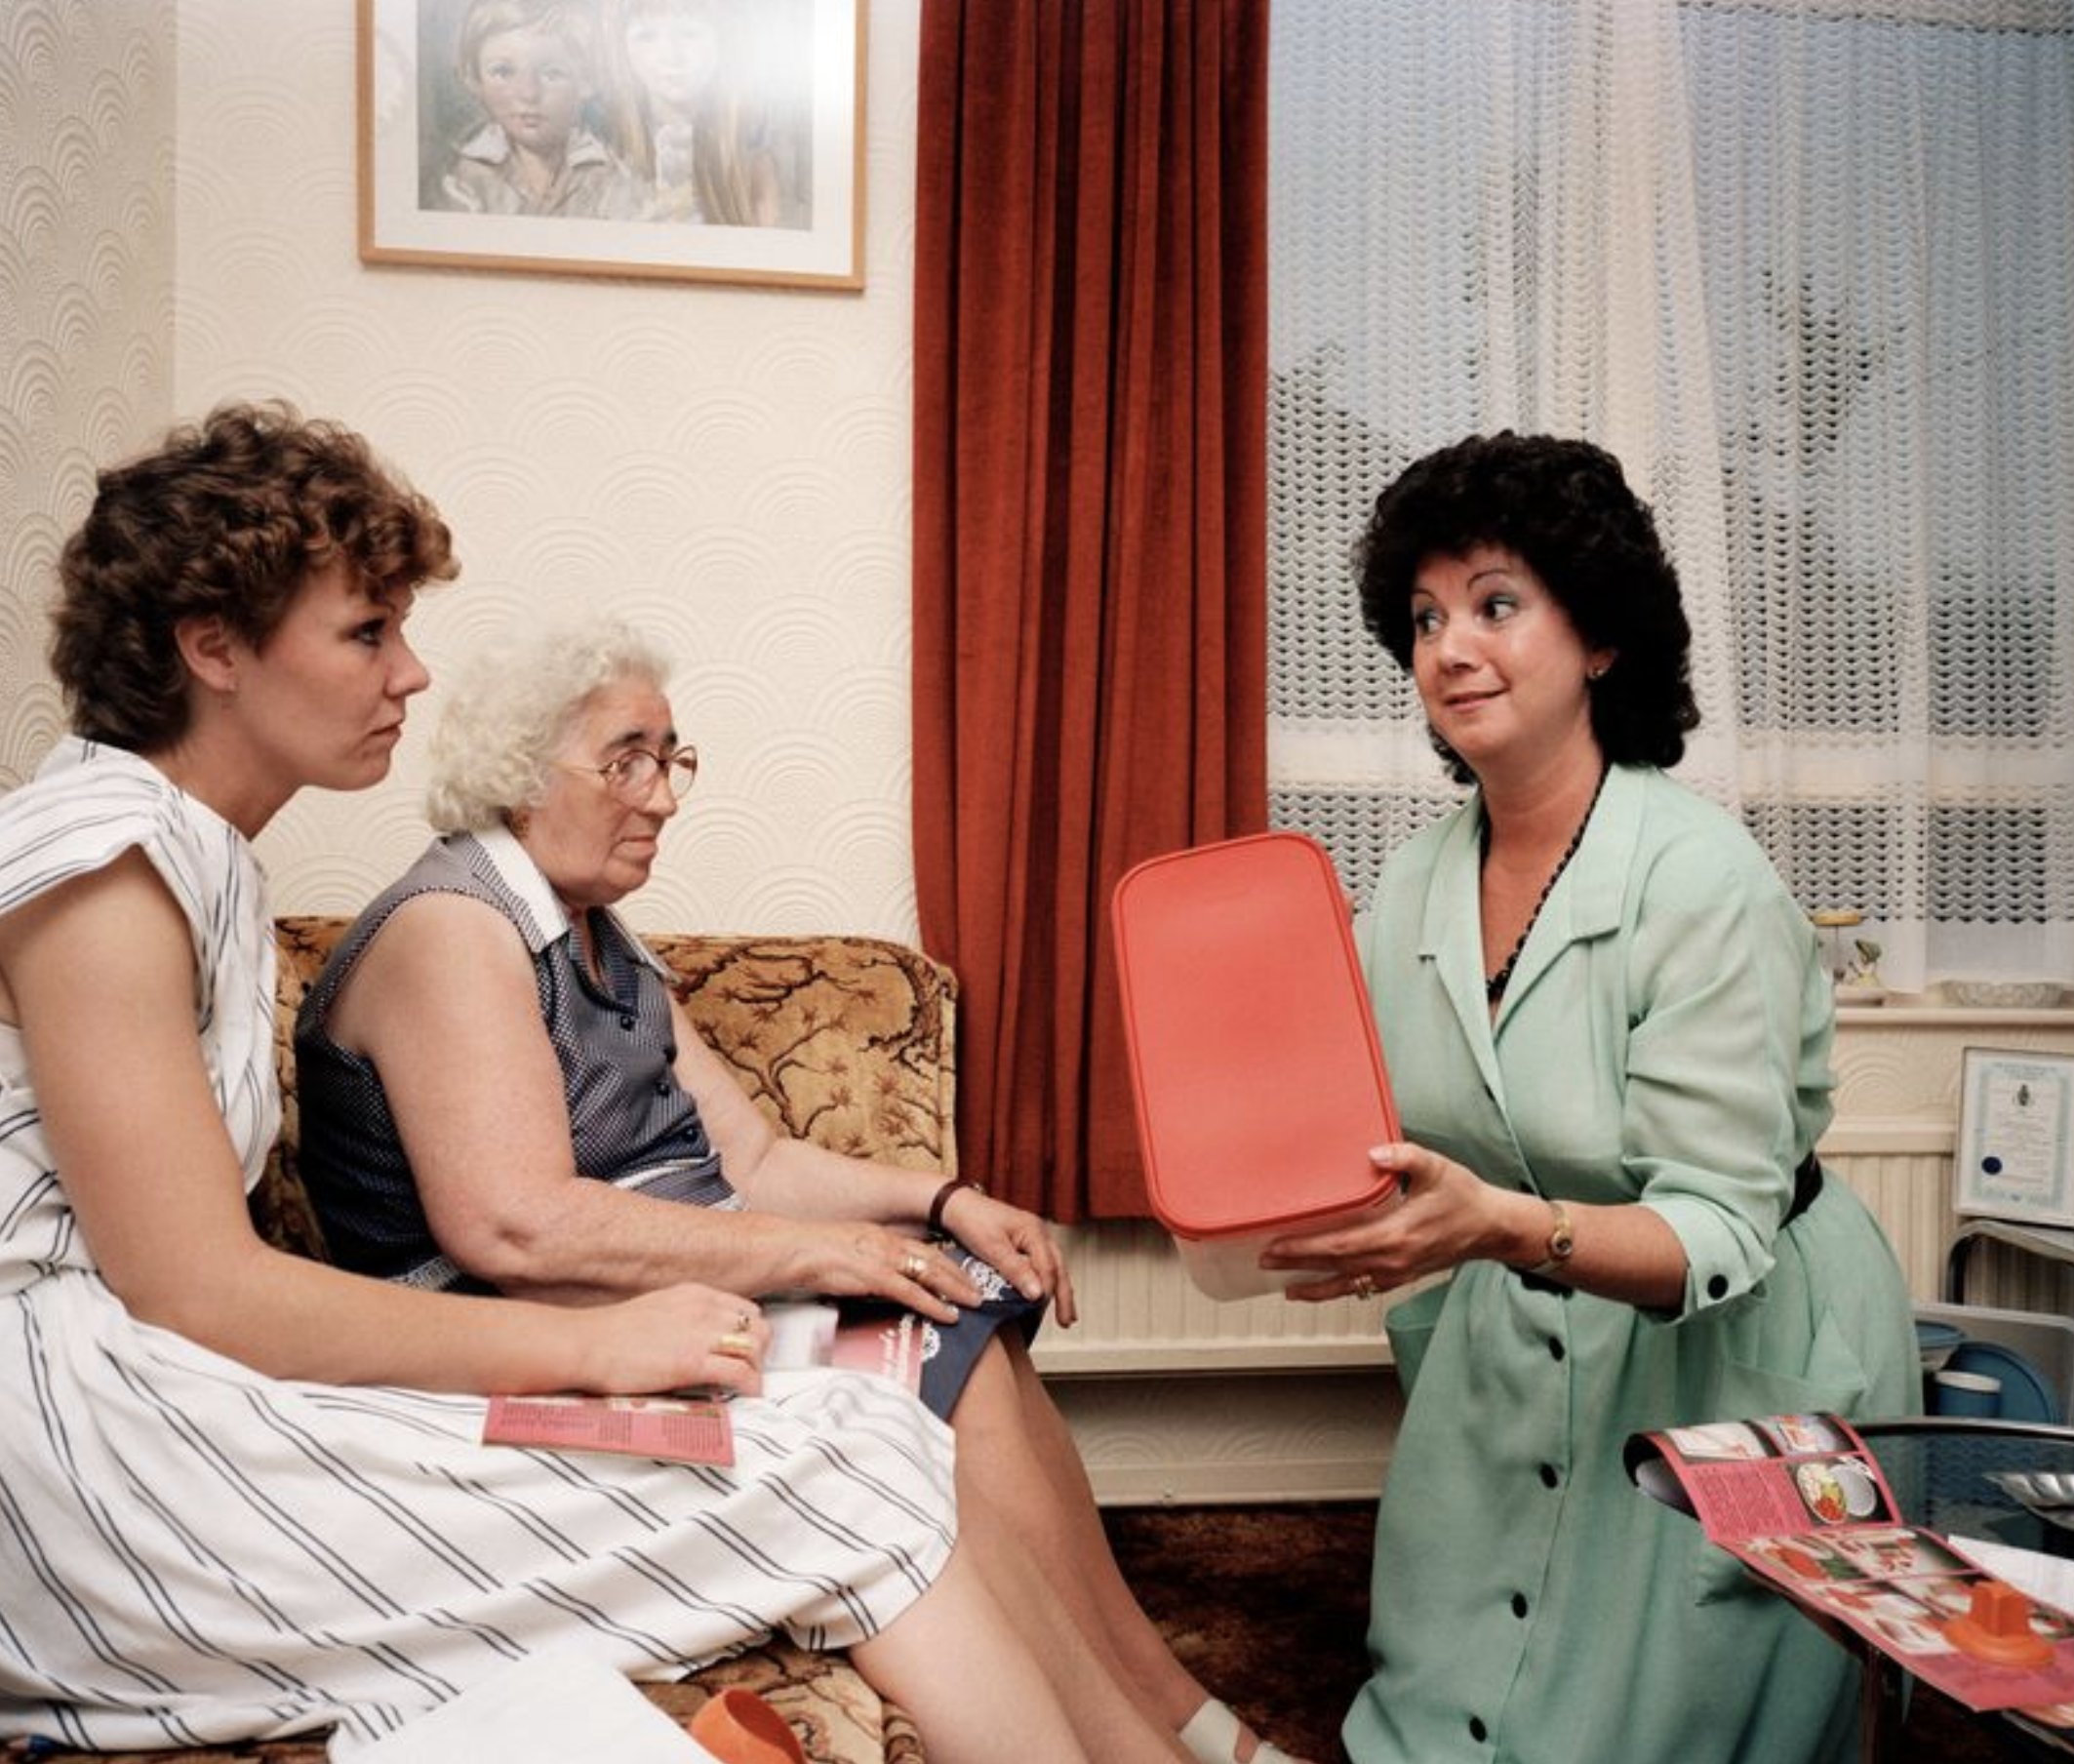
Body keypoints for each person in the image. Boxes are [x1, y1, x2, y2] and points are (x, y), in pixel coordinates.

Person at [0, 402, 1152, 1764]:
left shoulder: (197, 857)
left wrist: (924, 1202)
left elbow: (754, 1155)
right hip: (88, 1457)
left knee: (870, 1426)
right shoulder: (105, 856)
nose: (412, 674)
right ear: (214, 648)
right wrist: (594, 1348)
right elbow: (202, 1289)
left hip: (165, 1390)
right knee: (848, 1462)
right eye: (368, 631)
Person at [293, 617, 1301, 1764]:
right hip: (524, 1326)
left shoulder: (595, 935)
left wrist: (938, 1200)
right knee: (927, 1338)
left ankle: (1169, 1714)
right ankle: (1164, 1738)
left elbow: (756, 1160)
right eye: (626, 758)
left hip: (646, 1279)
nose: (663, 795)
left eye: (670, 759)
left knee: (960, 1303)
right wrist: (816, 1256)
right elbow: (518, 1222)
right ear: (522, 773)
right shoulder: (454, 929)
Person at [1259, 432, 1918, 1764]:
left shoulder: (1704, 881)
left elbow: (1719, 1234)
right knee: (1448, 1707)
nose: (1450, 647)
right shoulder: (1410, 888)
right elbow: (1411, 1135)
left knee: (1663, 1719)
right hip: (1520, 1331)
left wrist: (1496, 1227)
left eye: (1497, 603)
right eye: (1426, 616)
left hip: (1725, 1337)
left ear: (1600, 639)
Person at [594, 0, 808, 227]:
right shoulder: (603, 151)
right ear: (622, 47)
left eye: (690, 33)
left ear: (724, 39)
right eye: (646, 36)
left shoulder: (755, 159)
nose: (671, 56)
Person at [433, 0, 644, 220]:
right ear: (474, 79)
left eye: (552, 74)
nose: (529, 94)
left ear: (587, 81)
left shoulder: (610, 176)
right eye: (503, 72)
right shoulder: (462, 178)